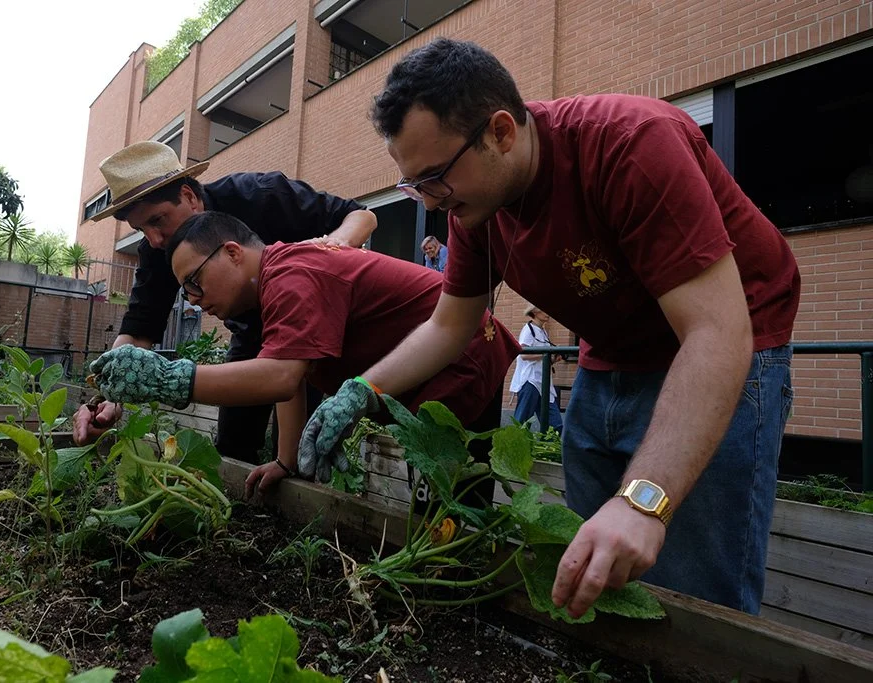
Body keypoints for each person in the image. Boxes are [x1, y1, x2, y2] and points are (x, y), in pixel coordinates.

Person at [298, 38, 799, 618]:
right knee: (592, 564)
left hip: (731, 338)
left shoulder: (629, 144)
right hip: (610, 350)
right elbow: (449, 327)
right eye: (418, 186)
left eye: (435, 178)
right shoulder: (478, 207)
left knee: (694, 586)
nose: (432, 204)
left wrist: (643, 503)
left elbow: (717, 332)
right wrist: (363, 391)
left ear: (501, 132)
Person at [85, 210, 519, 498]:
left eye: (194, 282)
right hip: (432, 366)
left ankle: (458, 597)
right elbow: (294, 373)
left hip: (461, 358)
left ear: (233, 253)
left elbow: (281, 377)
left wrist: (170, 379)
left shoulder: (291, 274)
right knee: (438, 494)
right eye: (185, 291)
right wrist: (285, 460)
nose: (194, 300)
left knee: (448, 500)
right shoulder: (275, 278)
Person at [72, 141, 377, 463]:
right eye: (141, 229)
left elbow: (360, 215)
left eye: (158, 220)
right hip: (252, 335)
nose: (154, 238)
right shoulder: (158, 250)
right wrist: (107, 395)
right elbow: (139, 328)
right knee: (233, 441)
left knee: (303, 449)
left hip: (314, 331)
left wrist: (326, 251)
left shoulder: (260, 195)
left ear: (189, 196)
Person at [510, 304, 563, 434]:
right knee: (522, 422)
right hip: (531, 380)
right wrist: (546, 354)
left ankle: (548, 450)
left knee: (555, 425)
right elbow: (524, 354)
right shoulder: (528, 330)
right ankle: (515, 450)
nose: (547, 313)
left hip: (543, 382)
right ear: (535, 312)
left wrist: (553, 358)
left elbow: (540, 358)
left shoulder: (542, 332)